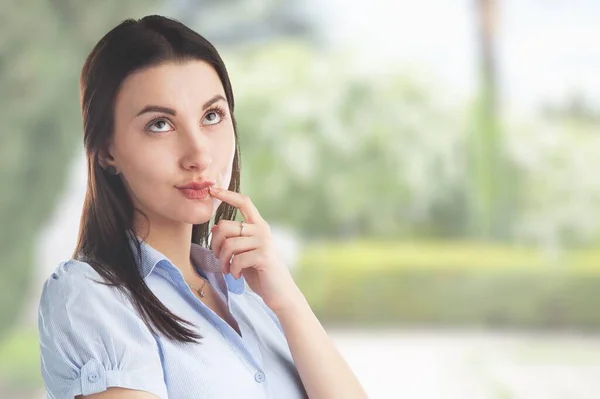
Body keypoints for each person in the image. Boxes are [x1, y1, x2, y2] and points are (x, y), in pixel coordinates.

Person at [37, 14, 367, 399]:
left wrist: (288, 301)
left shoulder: (246, 292)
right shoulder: (92, 296)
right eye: (160, 124)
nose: (198, 154)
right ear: (107, 150)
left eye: (212, 116)